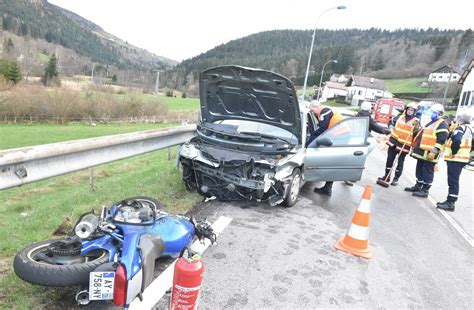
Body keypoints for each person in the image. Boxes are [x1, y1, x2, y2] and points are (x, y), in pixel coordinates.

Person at [404, 103, 449, 198]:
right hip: (422, 153)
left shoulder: (442, 124)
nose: (431, 114)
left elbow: (441, 139)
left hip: (430, 153)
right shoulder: (432, 122)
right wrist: (416, 127)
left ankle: (425, 190)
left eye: (433, 113)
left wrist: (434, 151)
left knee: (427, 172)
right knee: (419, 170)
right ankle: (418, 186)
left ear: (439, 114)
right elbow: (421, 134)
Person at [437, 111, 473, 211]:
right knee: (454, 180)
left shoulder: (460, 128)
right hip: (462, 158)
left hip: (456, 158)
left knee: (452, 181)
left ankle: (450, 203)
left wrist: (454, 151)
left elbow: (456, 140)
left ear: (460, 119)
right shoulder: (470, 129)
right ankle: (450, 200)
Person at [378, 102, 419, 185]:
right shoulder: (400, 117)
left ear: (414, 111)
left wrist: (413, 147)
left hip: (404, 145)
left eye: (412, 110)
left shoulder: (416, 122)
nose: (410, 111)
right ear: (406, 109)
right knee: (389, 160)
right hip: (393, 141)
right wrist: (390, 127)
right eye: (409, 109)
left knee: (400, 162)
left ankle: (396, 178)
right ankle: (387, 176)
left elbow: (416, 134)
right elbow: (391, 123)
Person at [307, 100, 343, 196]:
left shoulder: (324, 111)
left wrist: (309, 143)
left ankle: (327, 189)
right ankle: (327, 188)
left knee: (333, 163)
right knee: (333, 163)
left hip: (341, 137)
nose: (313, 112)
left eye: (312, 110)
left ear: (317, 107)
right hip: (339, 136)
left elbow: (323, 129)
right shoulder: (323, 112)